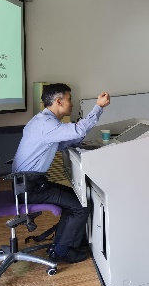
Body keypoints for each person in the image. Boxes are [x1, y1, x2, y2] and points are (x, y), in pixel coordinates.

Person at [12, 84, 110, 263]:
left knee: (75, 198)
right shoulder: (47, 124)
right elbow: (78, 130)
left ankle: (63, 242)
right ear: (58, 101)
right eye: (69, 99)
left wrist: (79, 139)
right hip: (30, 188)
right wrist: (99, 107)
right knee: (80, 206)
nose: (71, 104)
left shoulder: (40, 120)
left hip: (27, 183)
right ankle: (62, 251)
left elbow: (62, 143)